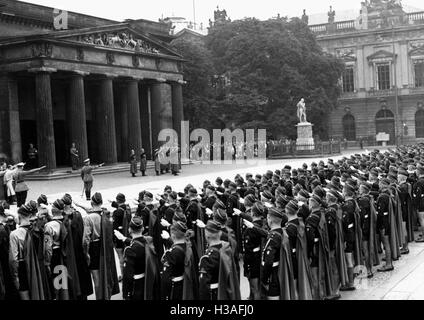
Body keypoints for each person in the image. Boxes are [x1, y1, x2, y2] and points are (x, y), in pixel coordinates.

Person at [76, 192, 119, 300]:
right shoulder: (106, 215)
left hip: (94, 248)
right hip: (105, 247)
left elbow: (85, 239)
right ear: (101, 202)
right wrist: (79, 205)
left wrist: (86, 253)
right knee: (106, 274)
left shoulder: (89, 218)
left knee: (96, 278)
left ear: (91, 202)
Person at [198, 220, 240, 300]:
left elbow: (204, 288)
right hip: (226, 292)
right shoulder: (226, 248)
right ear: (220, 233)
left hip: (214, 295)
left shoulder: (207, 258)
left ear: (206, 235)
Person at [121, 215, 161, 300]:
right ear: (142, 229)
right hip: (149, 282)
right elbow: (139, 241)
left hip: (136, 287)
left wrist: (126, 294)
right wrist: (124, 239)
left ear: (129, 230)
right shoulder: (149, 242)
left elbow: (128, 276)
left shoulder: (130, 250)